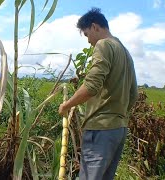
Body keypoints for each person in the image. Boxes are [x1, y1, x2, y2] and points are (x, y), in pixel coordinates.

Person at [58, 8, 138, 180]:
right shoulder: (125, 52)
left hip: (101, 129)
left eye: (86, 34)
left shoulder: (104, 45)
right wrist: (119, 116)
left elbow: (92, 86)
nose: (88, 41)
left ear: (94, 27)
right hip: (119, 129)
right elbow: (134, 94)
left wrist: (67, 105)